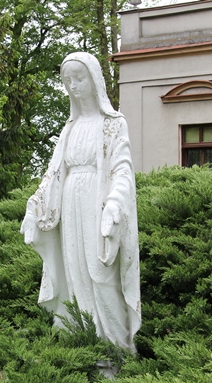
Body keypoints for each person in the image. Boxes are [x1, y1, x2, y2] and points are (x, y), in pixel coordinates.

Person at [20, 52, 141, 352]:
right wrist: (33, 209)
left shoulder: (113, 124)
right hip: (70, 206)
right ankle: (82, 343)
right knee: (75, 275)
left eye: (79, 78)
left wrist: (115, 204)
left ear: (94, 79)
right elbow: (52, 175)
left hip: (97, 205)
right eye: (67, 80)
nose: (73, 85)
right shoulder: (69, 128)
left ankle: (116, 351)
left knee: (101, 275)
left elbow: (122, 169)